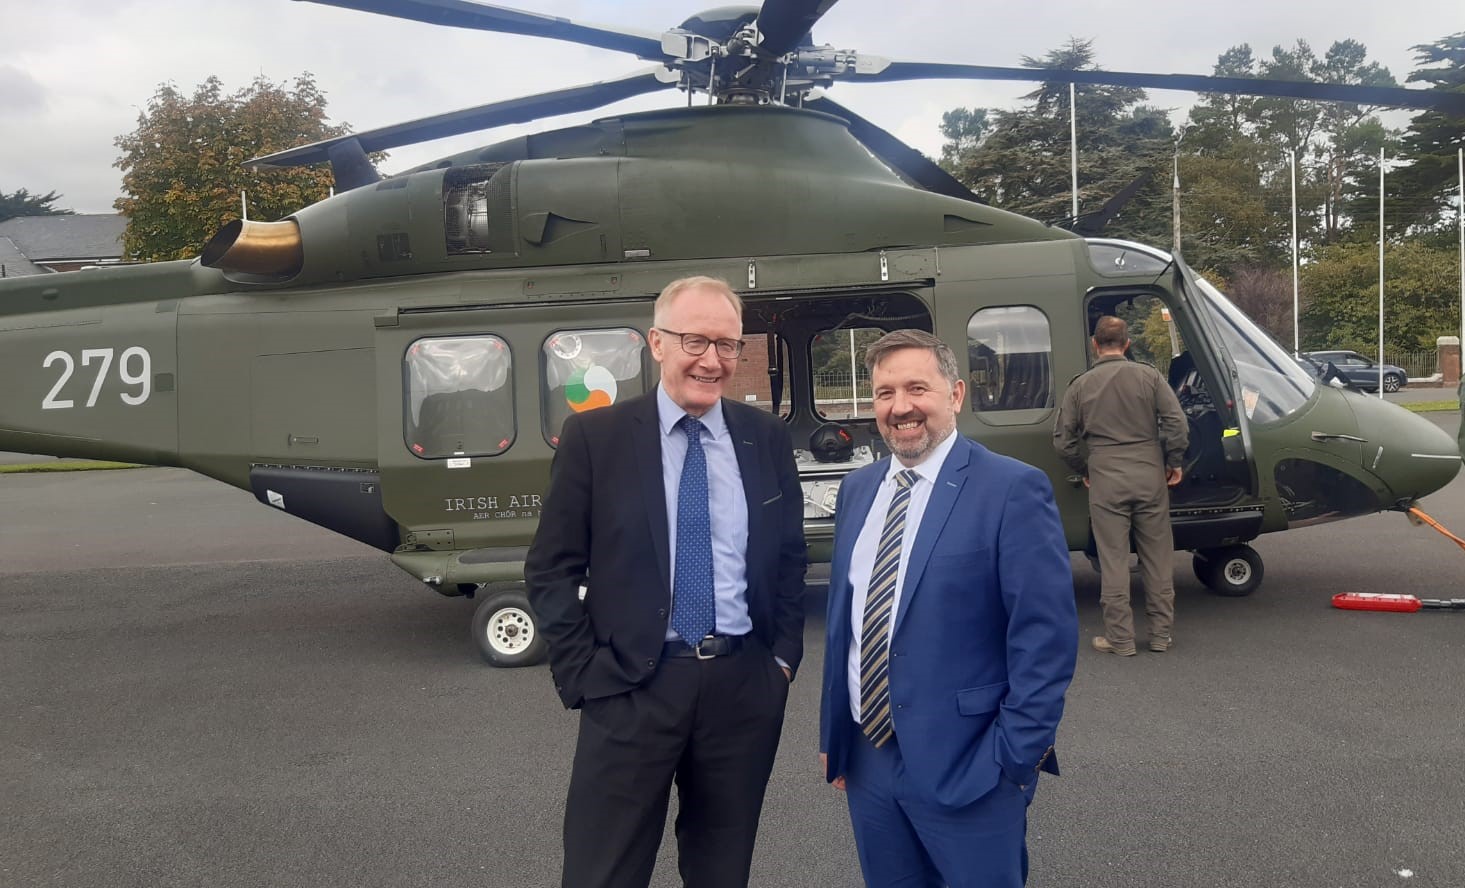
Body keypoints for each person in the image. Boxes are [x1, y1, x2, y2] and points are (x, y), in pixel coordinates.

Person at [524, 275, 806, 888]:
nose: (712, 360)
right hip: (630, 686)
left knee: (721, 871)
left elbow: (787, 557)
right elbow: (551, 567)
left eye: (727, 344)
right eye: (694, 341)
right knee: (604, 872)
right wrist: (584, 675)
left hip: (741, 688)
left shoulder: (766, 438)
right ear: (656, 343)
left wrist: (780, 660)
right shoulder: (596, 439)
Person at [819, 329, 1078, 888]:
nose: (901, 407)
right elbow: (849, 623)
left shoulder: (1012, 489)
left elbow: (1045, 637)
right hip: (870, 761)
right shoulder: (858, 491)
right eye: (885, 393)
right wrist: (834, 736)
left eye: (917, 388)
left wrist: (1013, 759)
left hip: (972, 766)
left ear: (956, 395)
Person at [1053, 315, 1188, 656]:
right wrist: (1173, 462)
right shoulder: (1149, 376)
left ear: (1094, 345)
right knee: (1157, 558)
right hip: (1149, 473)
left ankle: (1120, 639)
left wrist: (1085, 468)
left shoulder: (1080, 385)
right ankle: (1161, 635)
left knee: (1113, 560)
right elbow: (1176, 423)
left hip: (1106, 477)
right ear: (1127, 343)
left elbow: (1062, 441)